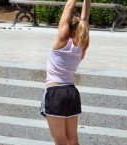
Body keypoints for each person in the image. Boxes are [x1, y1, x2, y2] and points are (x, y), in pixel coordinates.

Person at [40, 0, 91, 144]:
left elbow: (68, 6)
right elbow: (85, 19)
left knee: (61, 140)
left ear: (68, 27)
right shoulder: (82, 46)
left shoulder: (61, 41)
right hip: (71, 93)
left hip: (55, 92)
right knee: (73, 139)